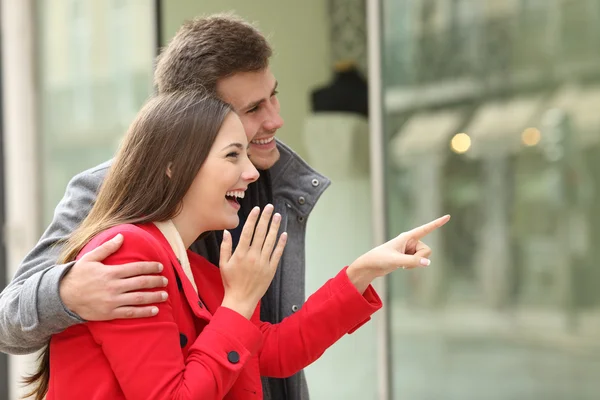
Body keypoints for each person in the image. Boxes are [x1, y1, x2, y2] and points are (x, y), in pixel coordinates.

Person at [0, 13, 443, 400]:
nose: (275, 119)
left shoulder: (204, 261)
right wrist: (67, 293)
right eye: (252, 110)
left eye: (273, 95)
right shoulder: (126, 235)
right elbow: (9, 319)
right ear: (191, 127)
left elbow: (276, 347)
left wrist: (361, 272)